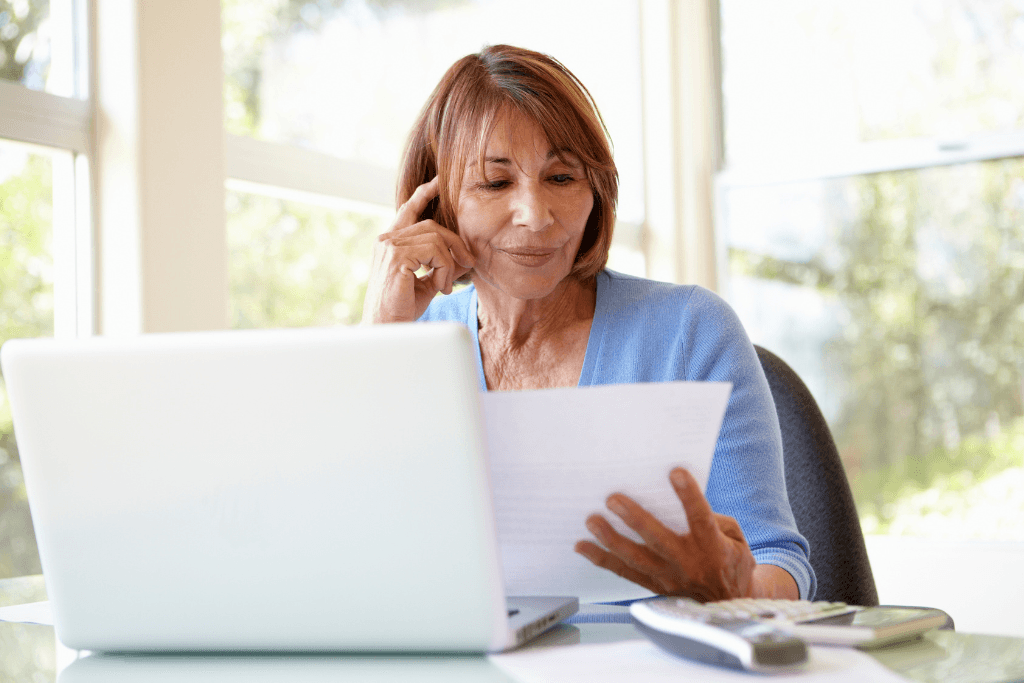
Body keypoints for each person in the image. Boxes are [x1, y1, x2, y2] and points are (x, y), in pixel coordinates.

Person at [362, 44, 814, 602]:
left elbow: (778, 565)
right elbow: (352, 555)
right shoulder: (406, 344)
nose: (536, 214)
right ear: (438, 203)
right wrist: (380, 340)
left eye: (561, 177)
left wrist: (731, 589)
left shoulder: (691, 331)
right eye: (496, 183)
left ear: (594, 191)